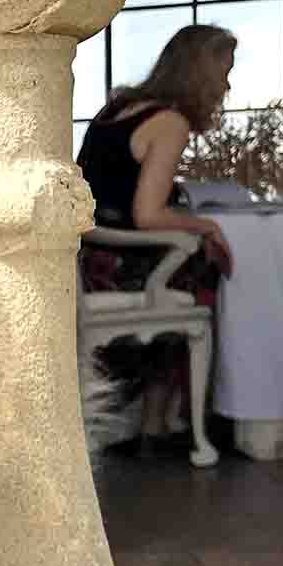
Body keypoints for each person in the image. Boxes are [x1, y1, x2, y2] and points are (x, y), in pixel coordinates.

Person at [77, 23, 238, 454]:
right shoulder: (169, 123)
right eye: (223, 72)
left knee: (190, 263)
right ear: (199, 73)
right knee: (203, 266)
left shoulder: (118, 109)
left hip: (86, 257)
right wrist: (207, 226)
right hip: (117, 265)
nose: (226, 85)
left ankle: (155, 419)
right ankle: (172, 420)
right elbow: (148, 215)